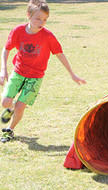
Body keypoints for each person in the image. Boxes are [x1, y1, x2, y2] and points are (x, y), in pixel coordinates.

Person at [0, 0, 86, 143]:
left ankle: (10, 129)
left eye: (45, 19)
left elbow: (59, 54)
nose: (42, 22)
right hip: (18, 72)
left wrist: (72, 74)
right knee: (5, 103)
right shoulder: (18, 31)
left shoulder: (48, 36)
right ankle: (11, 108)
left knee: (21, 106)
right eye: (38, 18)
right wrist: (4, 69)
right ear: (28, 15)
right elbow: (6, 49)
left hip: (35, 77)